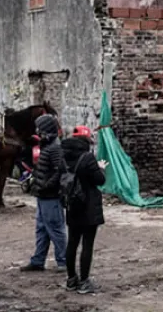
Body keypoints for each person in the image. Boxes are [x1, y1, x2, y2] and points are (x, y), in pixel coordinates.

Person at [62, 126, 108, 294]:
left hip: (72, 204)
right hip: (88, 205)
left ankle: (71, 279)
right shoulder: (87, 157)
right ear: (87, 140)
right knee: (87, 244)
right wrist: (100, 167)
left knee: (72, 243)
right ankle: (84, 282)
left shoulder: (64, 155)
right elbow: (100, 180)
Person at [21, 114, 67, 272]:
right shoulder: (48, 146)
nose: (37, 132)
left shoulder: (54, 148)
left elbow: (60, 170)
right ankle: (38, 261)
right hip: (43, 194)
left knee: (55, 229)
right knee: (42, 229)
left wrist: (47, 185)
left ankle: (63, 261)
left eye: (39, 129)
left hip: (51, 196)